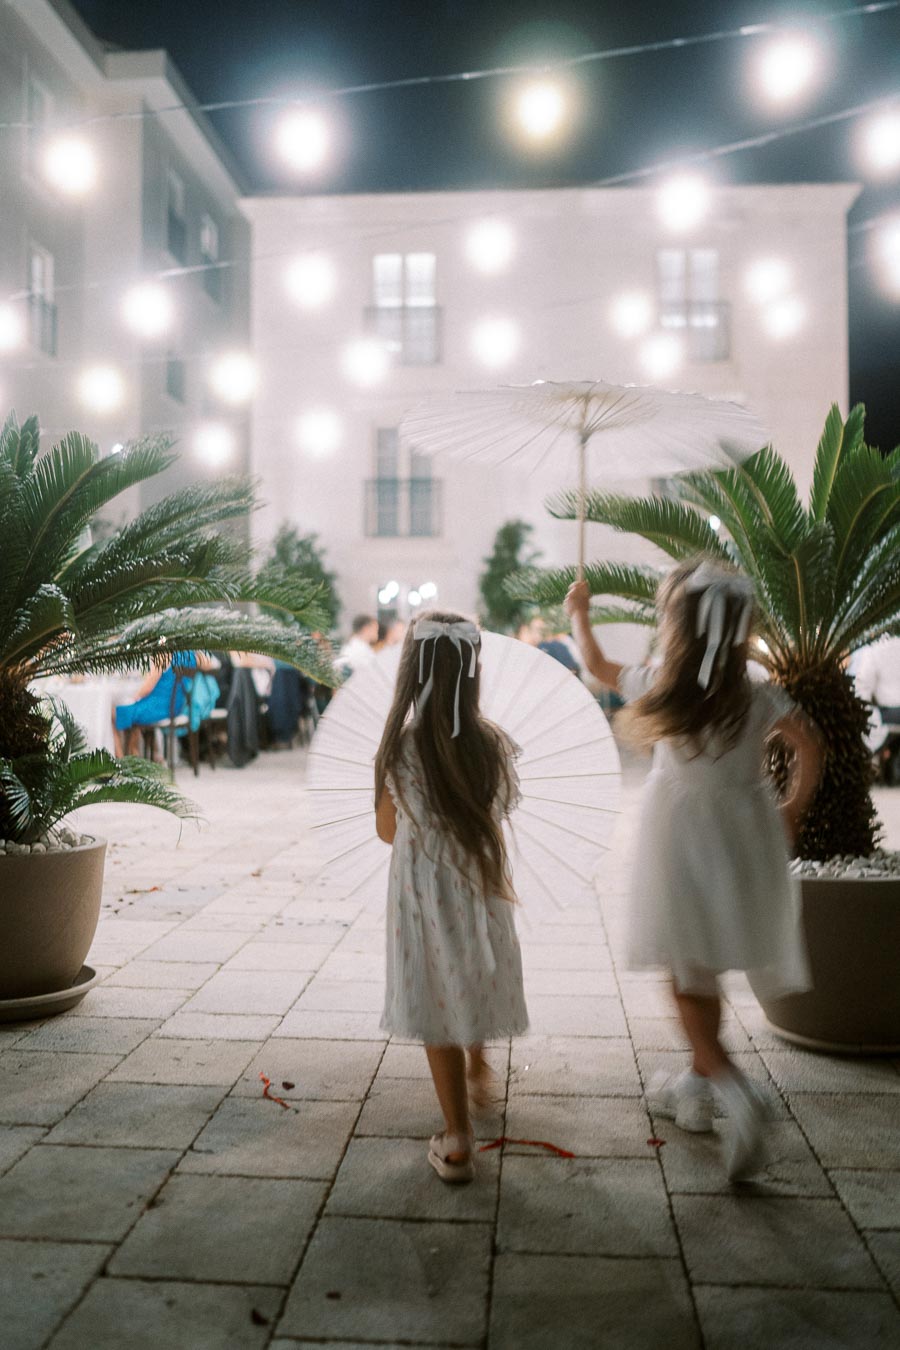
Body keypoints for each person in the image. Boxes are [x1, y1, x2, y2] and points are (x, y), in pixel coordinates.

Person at [565, 561, 822, 1181]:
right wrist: (789, 810)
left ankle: (735, 1087)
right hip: (742, 834)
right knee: (704, 967)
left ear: (678, 626)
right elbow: (810, 746)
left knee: (685, 973)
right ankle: (698, 1083)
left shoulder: (660, 683)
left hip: (679, 838)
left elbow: (597, 666)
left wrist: (579, 610)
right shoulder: (757, 693)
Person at [373, 611, 528, 1183]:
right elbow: (499, 807)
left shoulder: (400, 749)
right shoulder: (489, 746)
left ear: (411, 675)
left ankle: (458, 1138)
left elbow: (388, 830)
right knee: (470, 967)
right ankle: (480, 1063)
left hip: (421, 886)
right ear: (472, 673)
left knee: (436, 993)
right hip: (477, 882)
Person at [112, 650, 218, 757]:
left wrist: (134, 697)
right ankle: (153, 755)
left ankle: (121, 759)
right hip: (177, 707)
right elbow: (211, 666)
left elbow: (147, 689)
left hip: (158, 708)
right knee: (131, 713)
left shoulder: (164, 655)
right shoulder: (191, 655)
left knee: (114, 714)